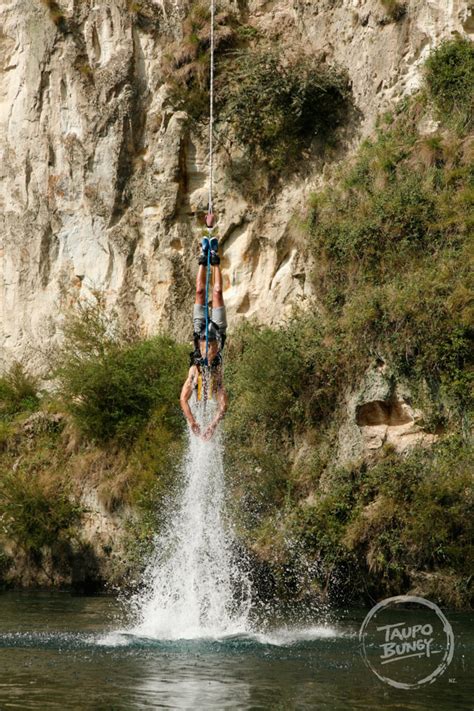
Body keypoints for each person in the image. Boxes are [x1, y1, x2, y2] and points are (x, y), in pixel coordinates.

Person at [179, 235, 228, 440]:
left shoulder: (194, 371)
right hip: (217, 331)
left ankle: (203, 256)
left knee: (200, 292)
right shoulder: (215, 375)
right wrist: (209, 424)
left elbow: (183, 400)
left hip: (200, 330)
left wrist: (193, 420)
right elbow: (224, 405)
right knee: (216, 292)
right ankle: (214, 258)